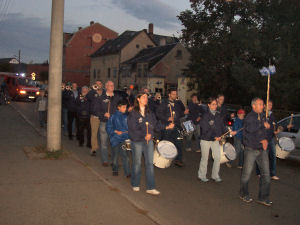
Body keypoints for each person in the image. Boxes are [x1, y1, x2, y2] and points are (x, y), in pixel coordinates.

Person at [128, 93, 174, 195]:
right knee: (137, 163)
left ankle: (150, 187)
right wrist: (144, 135)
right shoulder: (133, 113)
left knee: (150, 164)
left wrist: (166, 126)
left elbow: (156, 125)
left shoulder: (150, 112)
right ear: (138, 99)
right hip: (137, 141)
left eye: (146, 97)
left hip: (148, 141)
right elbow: (132, 129)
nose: (146, 99)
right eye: (143, 97)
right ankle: (135, 183)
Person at [240, 98, 272, 207]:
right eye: (260, 104)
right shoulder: (249, 117)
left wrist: (266, 139)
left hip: (262, 149)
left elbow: (268, 130)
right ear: (254, 106)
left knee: (266, 174)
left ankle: (263, 197)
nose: (263, 106)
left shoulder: (263, 116)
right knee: (246, 174)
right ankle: (243, 193)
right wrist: (262, 128)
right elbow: (251, 129)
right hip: (251, 148)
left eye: (263, 104)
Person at [198, 97, 230, 182]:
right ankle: (202, 175)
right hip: (206, 139)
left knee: (218, 157)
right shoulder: (205, 115)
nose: (215, 106)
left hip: (215, 140)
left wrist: (229, 132)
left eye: (215, 104)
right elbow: (205, 129)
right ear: (208, 105)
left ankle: (215, 175)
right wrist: (214, 136)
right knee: (205, 158)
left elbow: (222, 126)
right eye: (213, 104)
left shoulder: (218, 115)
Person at [156, 89, 186, 167]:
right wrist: (167, 119)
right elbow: (158, 114)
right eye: (173, 94)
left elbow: (179, 114)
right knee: (166, 143)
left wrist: (184, 113)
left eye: (175, 94)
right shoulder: (164, 103)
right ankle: (161, 159)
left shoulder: (177, 103)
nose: (175, 95)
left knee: (179, 142)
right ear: (169, 94)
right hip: (167, 126)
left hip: (176, 126)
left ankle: (178, 160)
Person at [98, 81, 121, 166]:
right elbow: (97, 110)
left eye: (113, 85)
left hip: (114, 124)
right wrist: (104, 114)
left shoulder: (117, 97)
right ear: (106, 87)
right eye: (110, 85)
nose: (112, 86)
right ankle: (105, 160)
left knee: (114, 143)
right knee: (104, 143)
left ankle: (114, 161)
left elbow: (120, 109)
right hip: (104, 123)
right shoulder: (102, 97)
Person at [106, 99, 131, 177]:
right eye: (123, 107)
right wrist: (115, 131)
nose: (125, 109)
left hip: (126, 139)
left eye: (126, 107)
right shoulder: (113, 117)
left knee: (126, 155)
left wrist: (130, 131)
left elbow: (131, 126)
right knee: (115, 155)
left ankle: (127, 172)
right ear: (118, 107)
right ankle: (115, 169)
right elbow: (108, 127)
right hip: (116, 139)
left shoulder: (127, 116)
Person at [256, 100, 280, 180]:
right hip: (263, 138)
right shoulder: (261, 114)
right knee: (261, 155)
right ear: (265, 106)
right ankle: (259, 172)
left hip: (271, 138)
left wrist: (277, 130)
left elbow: (276, 125)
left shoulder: (272, 115)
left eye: (271, 105)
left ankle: (272, 173)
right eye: (269, 104)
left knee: (272, 156)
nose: (270, 106)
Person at [87, 81, 103, 156]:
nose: (98, 85)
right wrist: (93, 89)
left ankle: (103, 148)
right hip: (94, 116)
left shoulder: (105, 93)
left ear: (102, 85)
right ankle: (94, 149)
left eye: (99, 84)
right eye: (96, 84)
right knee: (94, 133)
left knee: (104, 134)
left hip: (103, 117)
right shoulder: (92, 92)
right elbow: (87, 97)